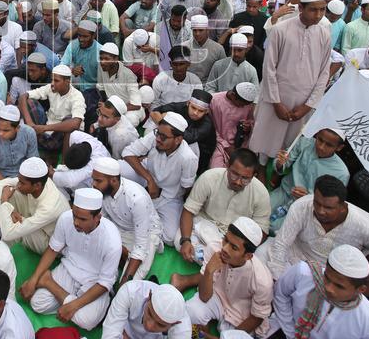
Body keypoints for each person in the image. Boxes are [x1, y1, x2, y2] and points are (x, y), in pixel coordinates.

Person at [249, 0, 332, 162]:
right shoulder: (281, 30)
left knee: (292, 145)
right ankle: (262, 169)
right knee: (267, 138)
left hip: (303, 102)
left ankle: (281, 174)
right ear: (301, 8)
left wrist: (308, 105)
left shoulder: (324, 34)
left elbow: (324, 72)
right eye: (313, 10)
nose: (318, 15)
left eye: (322, 9)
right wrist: (276, 102)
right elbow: (269, 68)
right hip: (277, 97)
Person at [22, 187, 121, 331]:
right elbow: (53, 249)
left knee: (87, 322)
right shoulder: (66, 218)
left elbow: (104, 283)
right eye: (75, 215)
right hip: (69, 268)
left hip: (94, 281)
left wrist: (72, 306)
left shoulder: (112, 241)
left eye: (82, 219)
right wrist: (33, 279)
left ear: (98, 217)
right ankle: (59, 291)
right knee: (37, 303)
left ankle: (49, 283)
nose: (76, 222)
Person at [264, 175, 369, 280]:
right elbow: (281, 244)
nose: (321, 211)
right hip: (295, 258)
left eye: (328, 208)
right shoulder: (301, 206)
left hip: (331, 275)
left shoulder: (366, 225)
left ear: (343, 206)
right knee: (261, 255)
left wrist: (349, 267)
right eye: (317, 203)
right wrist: (277, 277)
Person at [176, 217, 272, 339]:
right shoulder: (215, 249)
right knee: (191, 311)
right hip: (216, 297)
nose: (225, 249)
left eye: (234, 247)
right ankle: (205, 325)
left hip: (240, 315)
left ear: (248, 256)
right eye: (226, 240)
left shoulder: (262, 281)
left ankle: (209, 328)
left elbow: (256, 318)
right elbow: (204, 297)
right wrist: (209, 270)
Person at [273, 244, 369, 339]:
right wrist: (290, 332)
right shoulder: (303, 273)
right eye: (326, 277)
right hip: (284, 336)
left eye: (339, 286)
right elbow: (280, 294)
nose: (328, 288)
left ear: (360, 290)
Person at [177, 148, 270, 263]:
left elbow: (262, 232)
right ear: (227, 166)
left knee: (242, 258)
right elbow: (188, 211)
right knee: (178, 240)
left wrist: (237, 249)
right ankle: (217, 264)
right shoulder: (209, 177)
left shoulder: (261, 193)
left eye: (245, 178)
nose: (238, 182)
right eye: (234, 174)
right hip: (204, 223)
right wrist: (186, 241)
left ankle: (213, 262)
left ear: (253, 176)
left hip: (234, 239)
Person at [121, 112, 199, 245]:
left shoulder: (188, 158)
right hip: (145, 178)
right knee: (117, 168)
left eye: (163, 137)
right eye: (158, 133)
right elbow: (127, 153)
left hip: (169, 197)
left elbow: (187, 188)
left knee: (170, 237)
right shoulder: (155, 136)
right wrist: (149, 179)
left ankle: (141, 219)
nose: (158, 139)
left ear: (178, 139)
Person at [91, 156, 162, 284]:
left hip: (146, 233)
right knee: (93, 264)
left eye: (98, 181)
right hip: (118, 227)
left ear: (113, 180)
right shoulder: (101, 190)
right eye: (93, 180)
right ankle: (122, 258)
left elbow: (140, 245)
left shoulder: (136, 198)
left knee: (129, 284)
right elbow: (102, 221)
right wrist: (119, 247)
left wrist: (125, 279)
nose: (93, 185)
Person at [269, 128, 349, 231]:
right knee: (259, 210)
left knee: (276, 230)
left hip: (306, 209)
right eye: (320, 140)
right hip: (284, 192)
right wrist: (280, 163)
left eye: (328, 145)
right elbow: (281, 165)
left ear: (339, 147)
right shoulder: (304, 142)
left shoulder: (341, 172)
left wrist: (308, 198)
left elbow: (329, 203)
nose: (321, 147)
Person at [0, 156, 69, 254]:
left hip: (48, 241)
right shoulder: (40, 181)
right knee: (8, 192)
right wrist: (11, 210)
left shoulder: (50, 207)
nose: (18, 184)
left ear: (37, 186)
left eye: (22, 182)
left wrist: (5, 201)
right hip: (34, 218)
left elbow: (9, 234)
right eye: (19, 179)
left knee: (13, 218)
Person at [100, 280, 190, 339]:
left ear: (174, 324)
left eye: (160, 324)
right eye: (150, 313)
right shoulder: (130, 291)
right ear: (149, 297)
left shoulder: (182, 333)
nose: (149, 326)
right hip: (124, 335)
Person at [0, 104, 38, 185]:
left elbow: (33, 161)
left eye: (6, 130)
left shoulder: (29, 133)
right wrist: (8, 184)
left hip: (24, 177)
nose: (0, 133)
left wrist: (23, 183)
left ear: (17, 128)